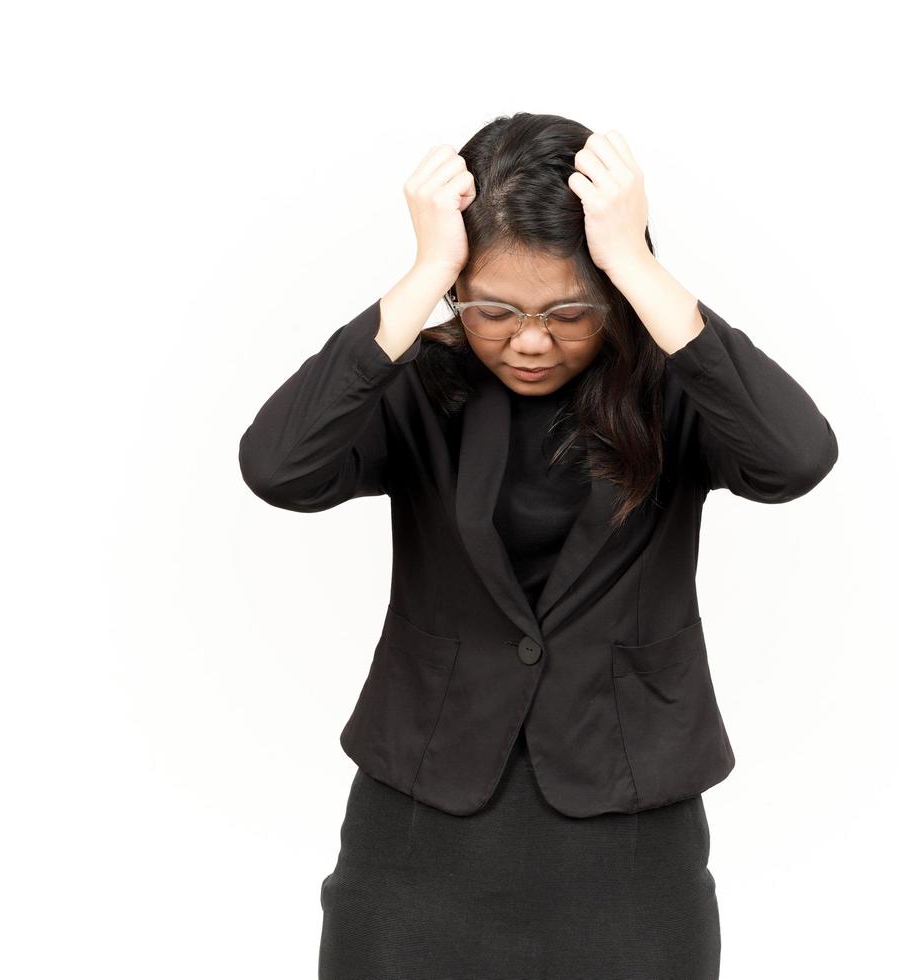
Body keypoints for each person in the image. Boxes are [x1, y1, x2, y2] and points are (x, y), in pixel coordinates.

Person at [238, 112, 839, 979]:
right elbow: (276, 466)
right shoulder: (424, 386)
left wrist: (634, 264)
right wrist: (427, 274)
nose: (528, 340)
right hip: (419, 827)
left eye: (567, 311)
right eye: (493, 310)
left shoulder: (674, 392)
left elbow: (796, 458)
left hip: (629, 829)